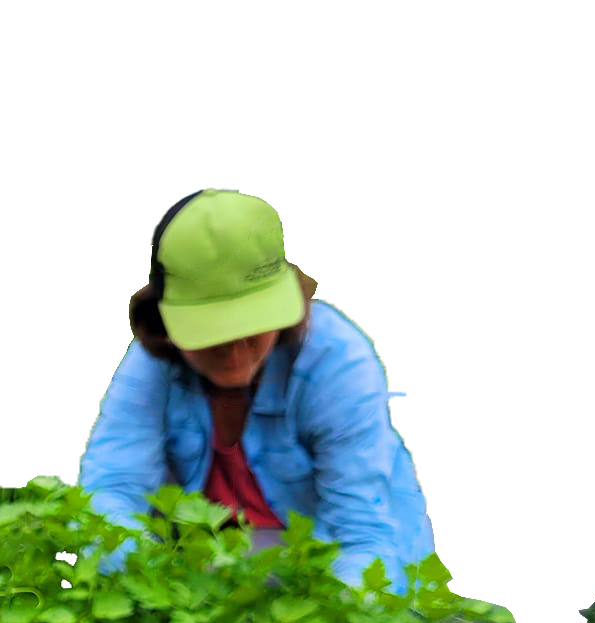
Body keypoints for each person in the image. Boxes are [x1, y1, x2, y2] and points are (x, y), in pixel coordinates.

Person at [78, 185, 435, 589]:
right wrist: (151, 584)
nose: (234, 350)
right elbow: (110, 492)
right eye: (211, 330)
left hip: (331, 563)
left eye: (251, 325)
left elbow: (363, 537)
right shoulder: (153, 363)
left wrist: (341, 622)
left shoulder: (336, 362)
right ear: (165, 319)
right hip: (211, 564)